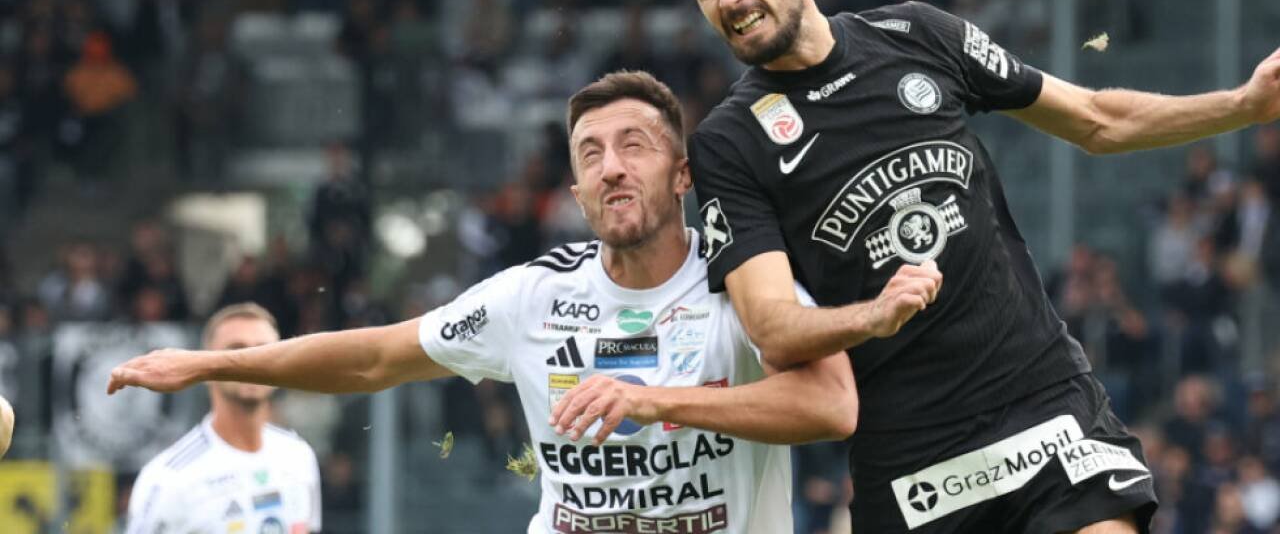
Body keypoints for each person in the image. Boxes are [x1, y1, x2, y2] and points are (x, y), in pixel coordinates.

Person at [674, 0, 1280, 534]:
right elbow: (771, 325)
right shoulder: (727, 142)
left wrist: (1242, 105)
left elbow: (1096, 120)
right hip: (913, 460)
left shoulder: (917, 34)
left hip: (1042, 406)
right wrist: (872, 316)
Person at [109, 71, 858, 534]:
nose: (612, 168)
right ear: (575, 193)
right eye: (590, 154)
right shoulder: (532, 297)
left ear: (683, 174)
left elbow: (829, 405)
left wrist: (655, 402)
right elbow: (374, 358)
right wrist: (210, 363)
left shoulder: (743, 281)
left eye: (635, 145)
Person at [125, 303, 322, 534]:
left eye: (263, 351)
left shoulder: (298, 455)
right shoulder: (169, 478)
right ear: (206, 370)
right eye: (235, 351)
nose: (251, 363)